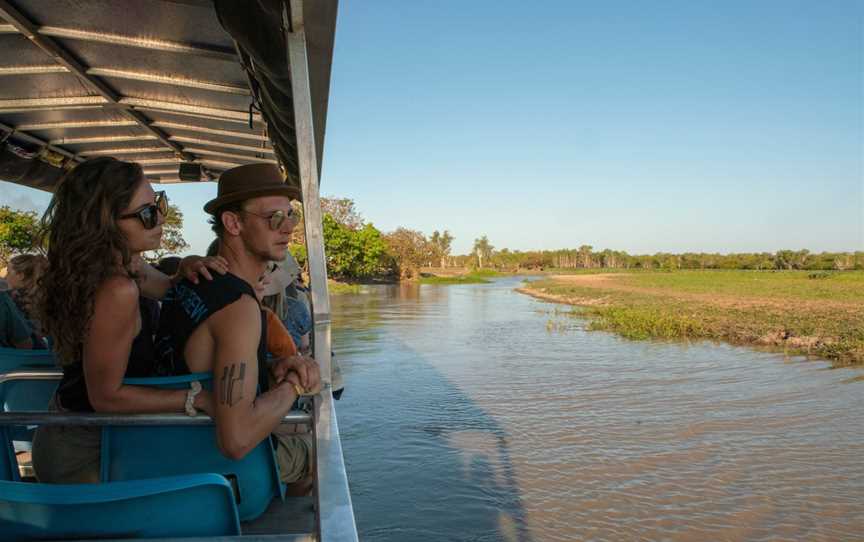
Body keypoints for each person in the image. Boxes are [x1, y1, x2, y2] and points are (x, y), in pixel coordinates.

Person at [32, 157, 226, 484]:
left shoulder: (124, 265)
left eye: (159, 204)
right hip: (86, 451)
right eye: (148, 214)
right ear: (105, 223)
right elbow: (105, 397)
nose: (161, 217)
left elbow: (166, 286)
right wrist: (197, 398)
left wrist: (189, 265)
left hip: (92, 433)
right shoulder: (116, 289)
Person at [155, 163, 319, 495]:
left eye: (292, 217)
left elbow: (203, 362)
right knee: (318, 452)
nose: (287, 228)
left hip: (169, 448)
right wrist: (294, 385)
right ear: (233, 223)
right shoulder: (239, 308)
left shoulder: (191, 281)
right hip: (223, 473)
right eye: (274, 218)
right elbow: (237, 440)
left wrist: (272, 366)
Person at [6, 253, 49, 348]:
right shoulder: (45, 296)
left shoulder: (12, 301)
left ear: (21, 275)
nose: (5, 277)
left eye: (8, 272)